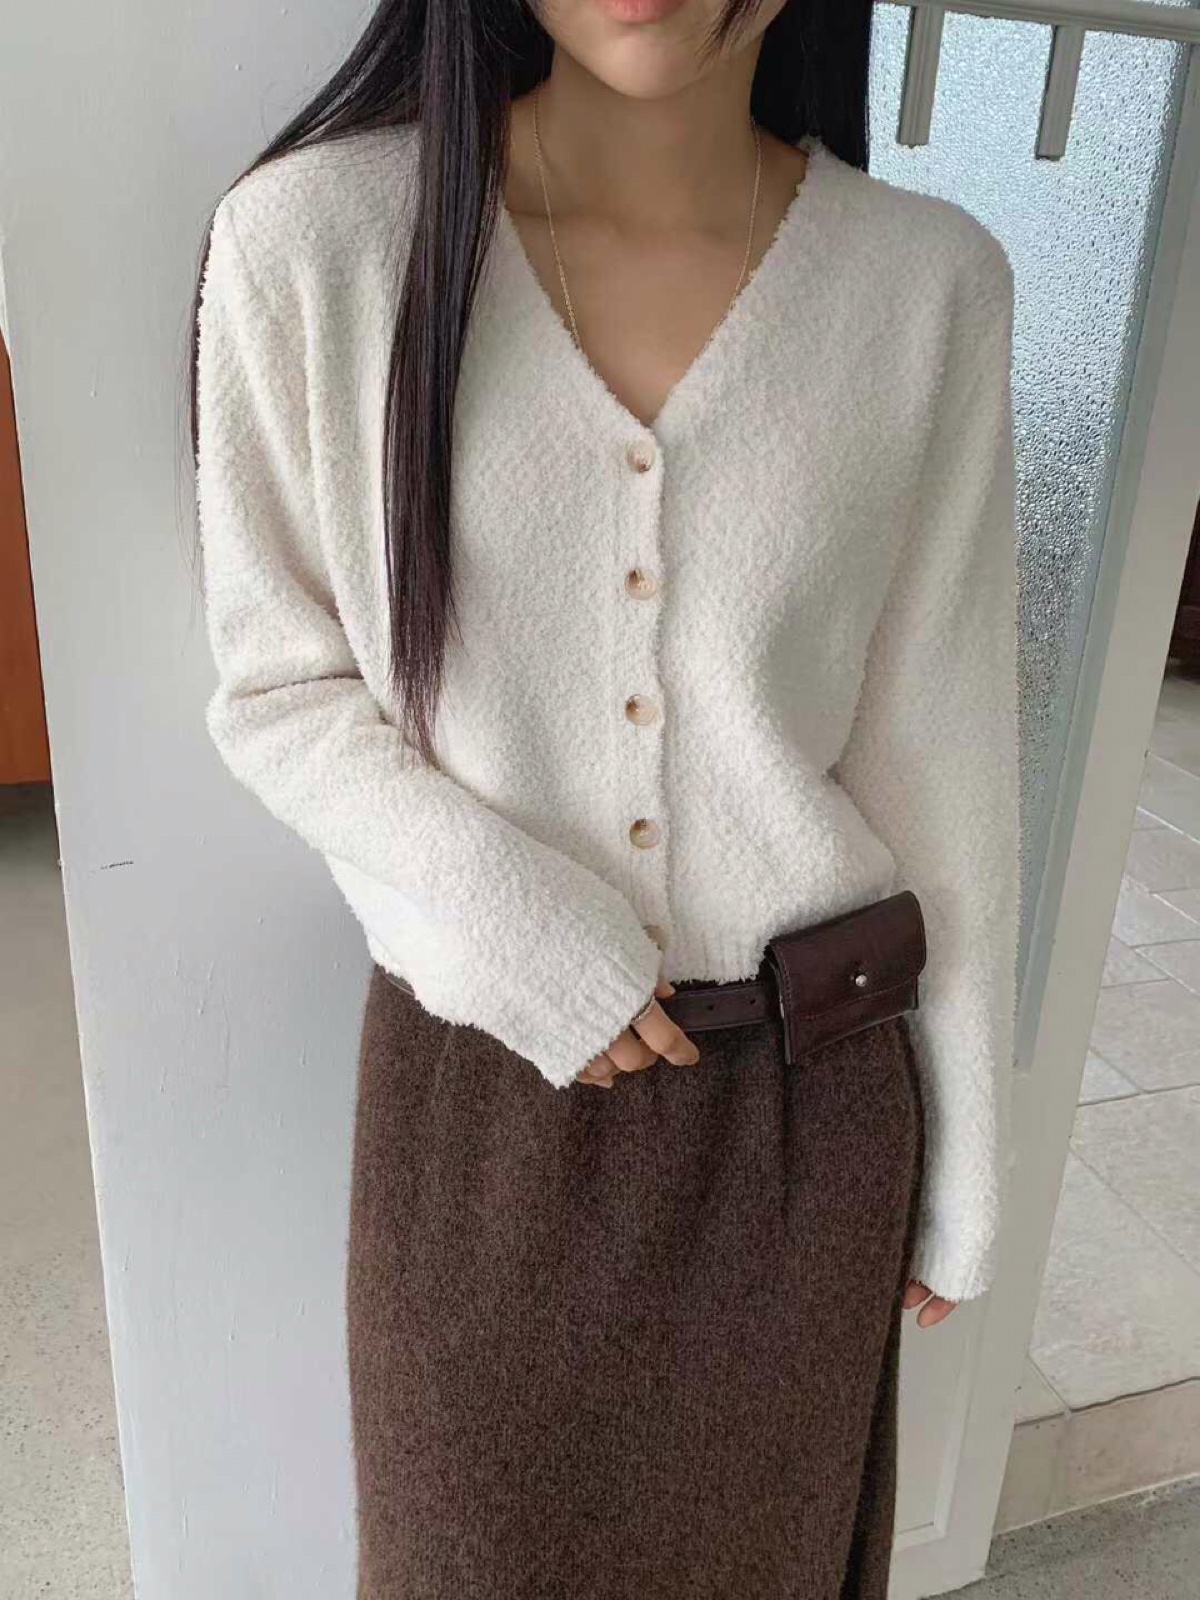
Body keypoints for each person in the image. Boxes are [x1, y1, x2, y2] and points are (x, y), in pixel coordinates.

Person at [189, 0, 1021, 1593]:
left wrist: (971, 1150)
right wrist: (524, 932)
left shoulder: (930, 286)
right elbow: (278, 688)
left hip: (811, 1116)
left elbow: (946, 751)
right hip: (488, 1125)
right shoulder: (316, 244)